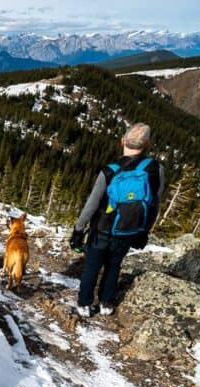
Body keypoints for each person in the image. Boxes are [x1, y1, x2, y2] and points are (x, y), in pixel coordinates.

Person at [69, 123, 164, 318]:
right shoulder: (155, 169)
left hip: (102, 229)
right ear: (147, 144)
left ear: (122, 141)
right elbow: (155, 204)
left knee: (91, 267)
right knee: (114, 266)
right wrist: (143, 231)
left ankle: (84, 303)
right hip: (129, 230)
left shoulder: (110, 171)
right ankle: (106, 303)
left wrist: (79, 230)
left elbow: (92, 204)